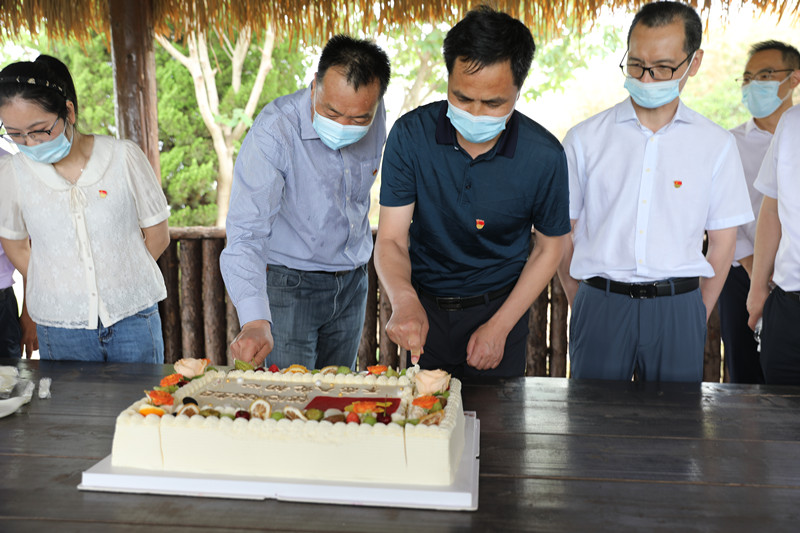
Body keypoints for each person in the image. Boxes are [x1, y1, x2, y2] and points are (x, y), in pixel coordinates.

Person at [557, 1, 753, 382]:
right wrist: (580, 300)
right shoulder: (584, 139)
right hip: (599, 303)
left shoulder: (716, 145)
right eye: (636, 65)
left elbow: (723, 242)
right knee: (593, 417)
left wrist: (696, 312)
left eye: (663, 67)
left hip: (678, 307)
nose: (646, 79)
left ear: (693, 63)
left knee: (676, 419)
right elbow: (563, 231)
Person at [375, 6, 570, 378]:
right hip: (423, 308)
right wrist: (404, 299)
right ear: (448, 78)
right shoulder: (410, 135)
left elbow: (549, 248)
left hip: (500, 310)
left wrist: (500, 327)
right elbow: (391, 239)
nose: (476, 113)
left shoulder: (544, 156)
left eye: (493, 103)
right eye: (462, 98)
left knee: (496, 417)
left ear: (518, 90)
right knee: (422, 411)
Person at [221, 36, 390, 369]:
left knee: (338, 392)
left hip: (353, 282)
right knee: (290, 394)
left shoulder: (375, 111)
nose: (343, 125)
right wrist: (255, 320)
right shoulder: (275, 131)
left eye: (358, 119)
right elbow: (246, 232)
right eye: (332, 112)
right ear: (315, 86)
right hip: (290, 286)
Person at [0, 55, 170, 363]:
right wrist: (58, 281)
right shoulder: (12, 172)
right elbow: (14, 243)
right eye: (15, 134)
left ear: (68, 111)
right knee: (70, 397)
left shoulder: (123, 157)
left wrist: (119, 279)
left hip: (132, 317)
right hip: (60, 325)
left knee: (143, 395)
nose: (29, 143)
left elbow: (157, 234)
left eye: (40, 130)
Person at [721, 41, 800, 383]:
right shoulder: (729, 143)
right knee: (747, 376)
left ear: (794, 79)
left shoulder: (790, 126)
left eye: (765, 75)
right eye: (748, 77)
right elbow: (723, 214)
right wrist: (757, 275)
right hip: (746, 271)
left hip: (784, 276)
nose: (754, 84)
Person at [747, 104, 800, 384]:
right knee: (777, 406)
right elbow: (771, 209)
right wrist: (757, 289)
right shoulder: (791, 122)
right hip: (788, 306)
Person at [0, 144, 38, 359]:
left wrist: (30, 314)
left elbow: (31, 245)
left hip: (1, 303)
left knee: (6, 378)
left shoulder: (8, 167)